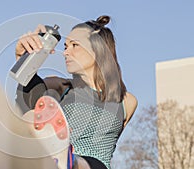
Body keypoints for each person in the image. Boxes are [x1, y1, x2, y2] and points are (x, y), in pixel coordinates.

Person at [14, 15, 138, 169]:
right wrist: (24, 59)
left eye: (74, 45)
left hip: (94, 165)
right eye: (66, 47)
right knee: (30, 117)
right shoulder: (61, 86)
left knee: (85, 163)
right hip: (56, 163)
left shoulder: (127, 102)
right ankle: (63, 158)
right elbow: (24, 107)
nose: (66, 53)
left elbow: (108, 149)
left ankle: (70, 160)